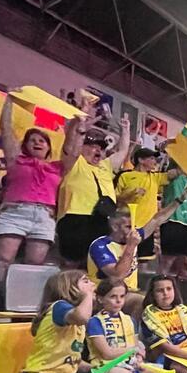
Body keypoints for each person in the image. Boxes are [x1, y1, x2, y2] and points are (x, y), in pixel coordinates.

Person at [0, 99, 63, 286]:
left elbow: (72, 148)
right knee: (2, 262)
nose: (37, 143)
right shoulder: (16, 160)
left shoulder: (57, 168)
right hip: (14, 213)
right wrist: (8, 103)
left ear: (48, 148)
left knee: (34, 265)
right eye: (33, 140)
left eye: (42, 141)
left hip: (44, 216)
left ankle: (21, 307)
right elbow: (6, 130)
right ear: (25, 145)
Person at [87, 191, 187, 315]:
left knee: (158, 301)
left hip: (129, 292)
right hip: (105, 294)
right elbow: (117, 275)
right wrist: (131, 246)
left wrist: (178, 201)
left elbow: (158, 219)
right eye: (128, 227)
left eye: (134, 226)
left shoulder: (132, 237)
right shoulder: (100, 246)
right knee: (141, 302)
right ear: (115, 227)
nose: (133, 231)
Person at [55, 113, 131, 267]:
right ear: (81, 147)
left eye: (101, 147)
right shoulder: (75, 162)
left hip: (103, 220)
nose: (98, 150)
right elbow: (70, 147)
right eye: (93, 146)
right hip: (76, 218)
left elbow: (122, 151)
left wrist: (126, 130)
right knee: (73, 263)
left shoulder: (105, 166)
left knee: (97, 265)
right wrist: (80, 127)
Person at [115, 147, 181, 260]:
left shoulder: (155, 177)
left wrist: (176, 150)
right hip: (127, 228)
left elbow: (177, 172)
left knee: (143, 262)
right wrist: (131, 193)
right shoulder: (125, 176)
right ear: (141, 160)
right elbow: (115, 199)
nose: (155, 162)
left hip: (147, 229)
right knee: (124, 259)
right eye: (151, 158)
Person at [158, 162, 187, 277]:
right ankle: (157, 285)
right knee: (168, 260)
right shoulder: (174, 175)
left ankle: (181, 292)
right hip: (173, 221)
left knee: (185, 263)